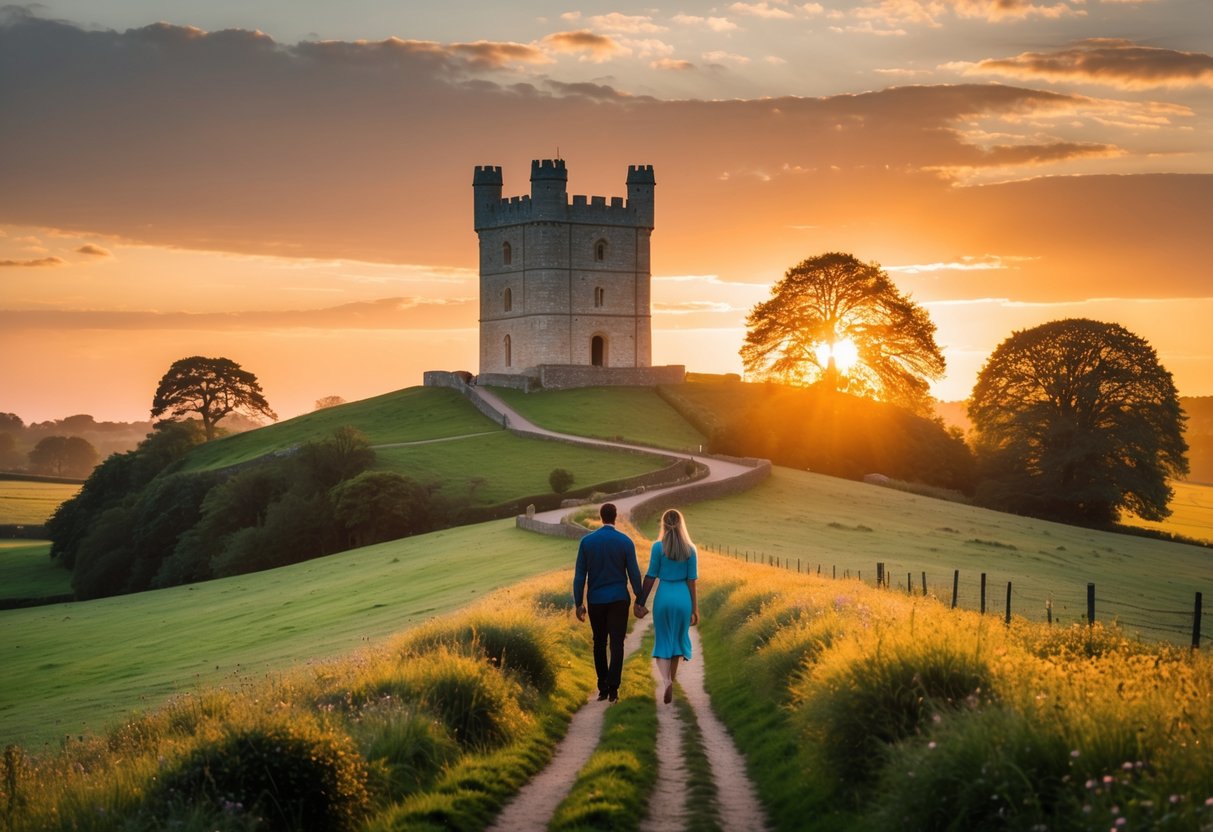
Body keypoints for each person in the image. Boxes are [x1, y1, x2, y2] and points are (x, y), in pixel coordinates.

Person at [573, 502, 642, 703]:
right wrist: (640, 598)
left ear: (601, 517)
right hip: (619, 599)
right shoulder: (625, 542)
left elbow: (579, 576)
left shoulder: (587, 542)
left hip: (596, 601)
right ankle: (614, 688)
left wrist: (579, 603)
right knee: (617, 643)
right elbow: (634, 573)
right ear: (616, 517)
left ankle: (602, 687)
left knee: (599, 643)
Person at [634, 508, 699, 705]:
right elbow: (691, 581)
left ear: (663, 524)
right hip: (682, 598)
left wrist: (640, 602)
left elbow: (651, 576)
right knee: (677, 641)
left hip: (663, 597)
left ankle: (666, 681)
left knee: (663, 641)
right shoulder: (690, 549)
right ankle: (673, 677)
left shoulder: (657, 547)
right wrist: (694, 609)